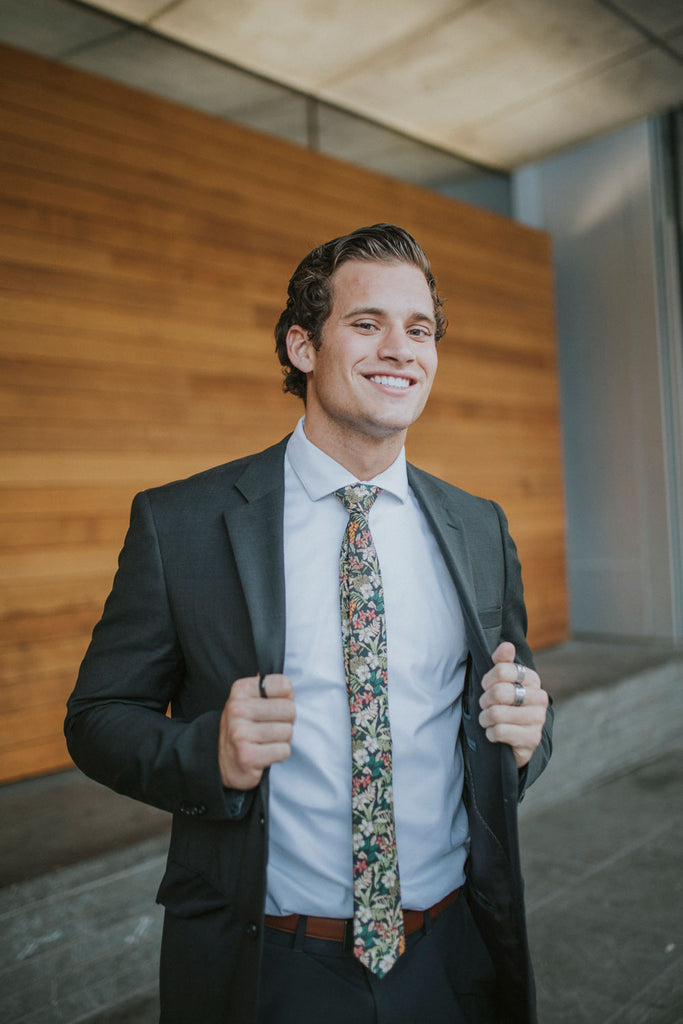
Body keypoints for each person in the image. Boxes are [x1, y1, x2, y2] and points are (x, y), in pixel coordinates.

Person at [65, 223, 552, 1024]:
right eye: (367, 324)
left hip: (452, 954)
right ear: (301, 345)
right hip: (271, 968)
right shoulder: (180, 523)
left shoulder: (478, 527)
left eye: (420, 328)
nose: (401, 348)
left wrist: (531, 733)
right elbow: (95, 720)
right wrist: (207, 752)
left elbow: (516, 712)